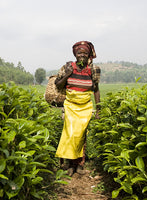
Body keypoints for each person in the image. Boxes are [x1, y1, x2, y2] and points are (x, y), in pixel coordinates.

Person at [55, 41, 101, 176]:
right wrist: (67, 74)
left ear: (89, 55)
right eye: (79, 53)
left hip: (85, 105)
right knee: (70, 133)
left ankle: (79, 164)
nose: (82, 55)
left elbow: (96, 90)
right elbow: (58, 85)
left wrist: (98, 109)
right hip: (70, 104)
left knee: (81, 135)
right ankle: (69, 164)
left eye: (85, 53)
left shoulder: (93, 69)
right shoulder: (67, 67)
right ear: (75, 54)